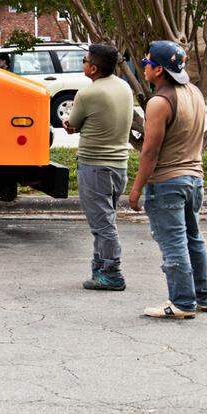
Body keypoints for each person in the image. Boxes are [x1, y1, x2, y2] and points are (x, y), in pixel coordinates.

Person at [128, 40, 207, 319]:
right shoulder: (194, 93)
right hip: (194, 179)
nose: (144, 67)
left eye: (146, 62)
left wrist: (136, 189)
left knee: (173, 242)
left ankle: (182, 302)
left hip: (167, 182)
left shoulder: (159, 103)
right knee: (193, 239)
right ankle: (203, 296)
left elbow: (150, 151)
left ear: (159, 70)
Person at [63, 44, 134, 291]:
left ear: (93, 68)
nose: (83, 63)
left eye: (85, 60)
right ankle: (100, 269)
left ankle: (112, 273)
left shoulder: (88, 94)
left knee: (103, 225)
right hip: (119, 165)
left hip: (95, 165)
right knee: (105, 219)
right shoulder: (124, 87)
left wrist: (70, 126)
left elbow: (73, 124)